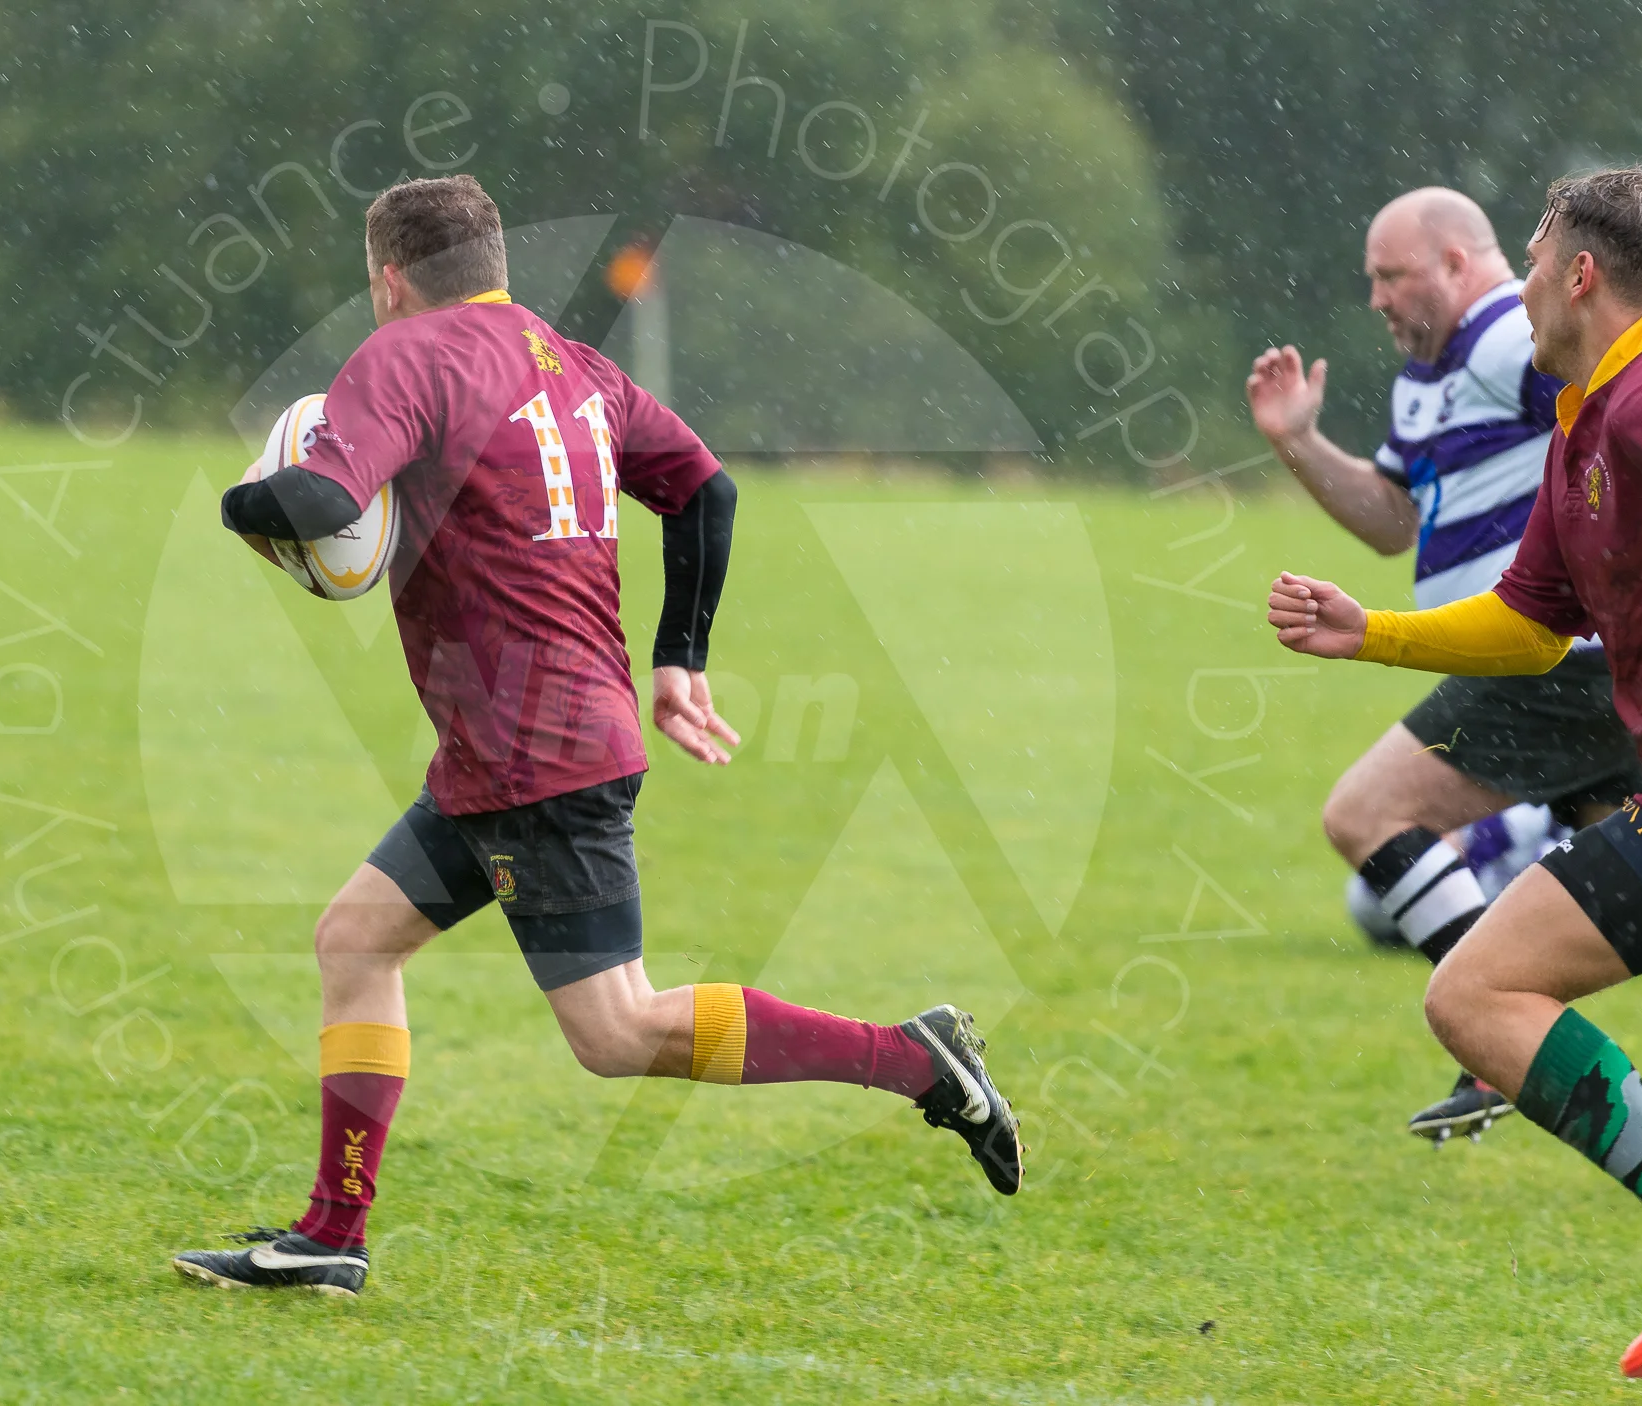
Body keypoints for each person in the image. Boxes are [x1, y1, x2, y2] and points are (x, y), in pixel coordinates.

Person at [170, 175, 1021, 1298]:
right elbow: (705, 491)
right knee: (355, 941)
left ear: (388, 277)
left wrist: (240, 501)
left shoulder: (404, 358)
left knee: (616, 1029)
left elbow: (324, 507)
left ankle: (913, 1056)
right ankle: (332, 1234)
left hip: (533, 753)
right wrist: (683, 655)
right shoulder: (573, 363)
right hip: (516, 743)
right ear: (494, 265)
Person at [1269, 166, 1642, 1379]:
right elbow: (1530, 626)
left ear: (1577, 274)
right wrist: (1371, 630)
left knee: (1474, 995)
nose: (1519, 282)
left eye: (1531, 260)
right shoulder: (1590, 416)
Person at [1247, 188, 1642, 1140]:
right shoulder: (1431, 374)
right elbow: (1392, 521)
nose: (1379, 297)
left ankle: (1496, 1043)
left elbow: (1627, 409)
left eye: (1394, 275)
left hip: (1544, 664)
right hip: (1566, 671)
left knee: (1366, 813)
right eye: (1371, 280)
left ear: (1461, 264)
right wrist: (1297, 441)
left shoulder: (1511, 338)